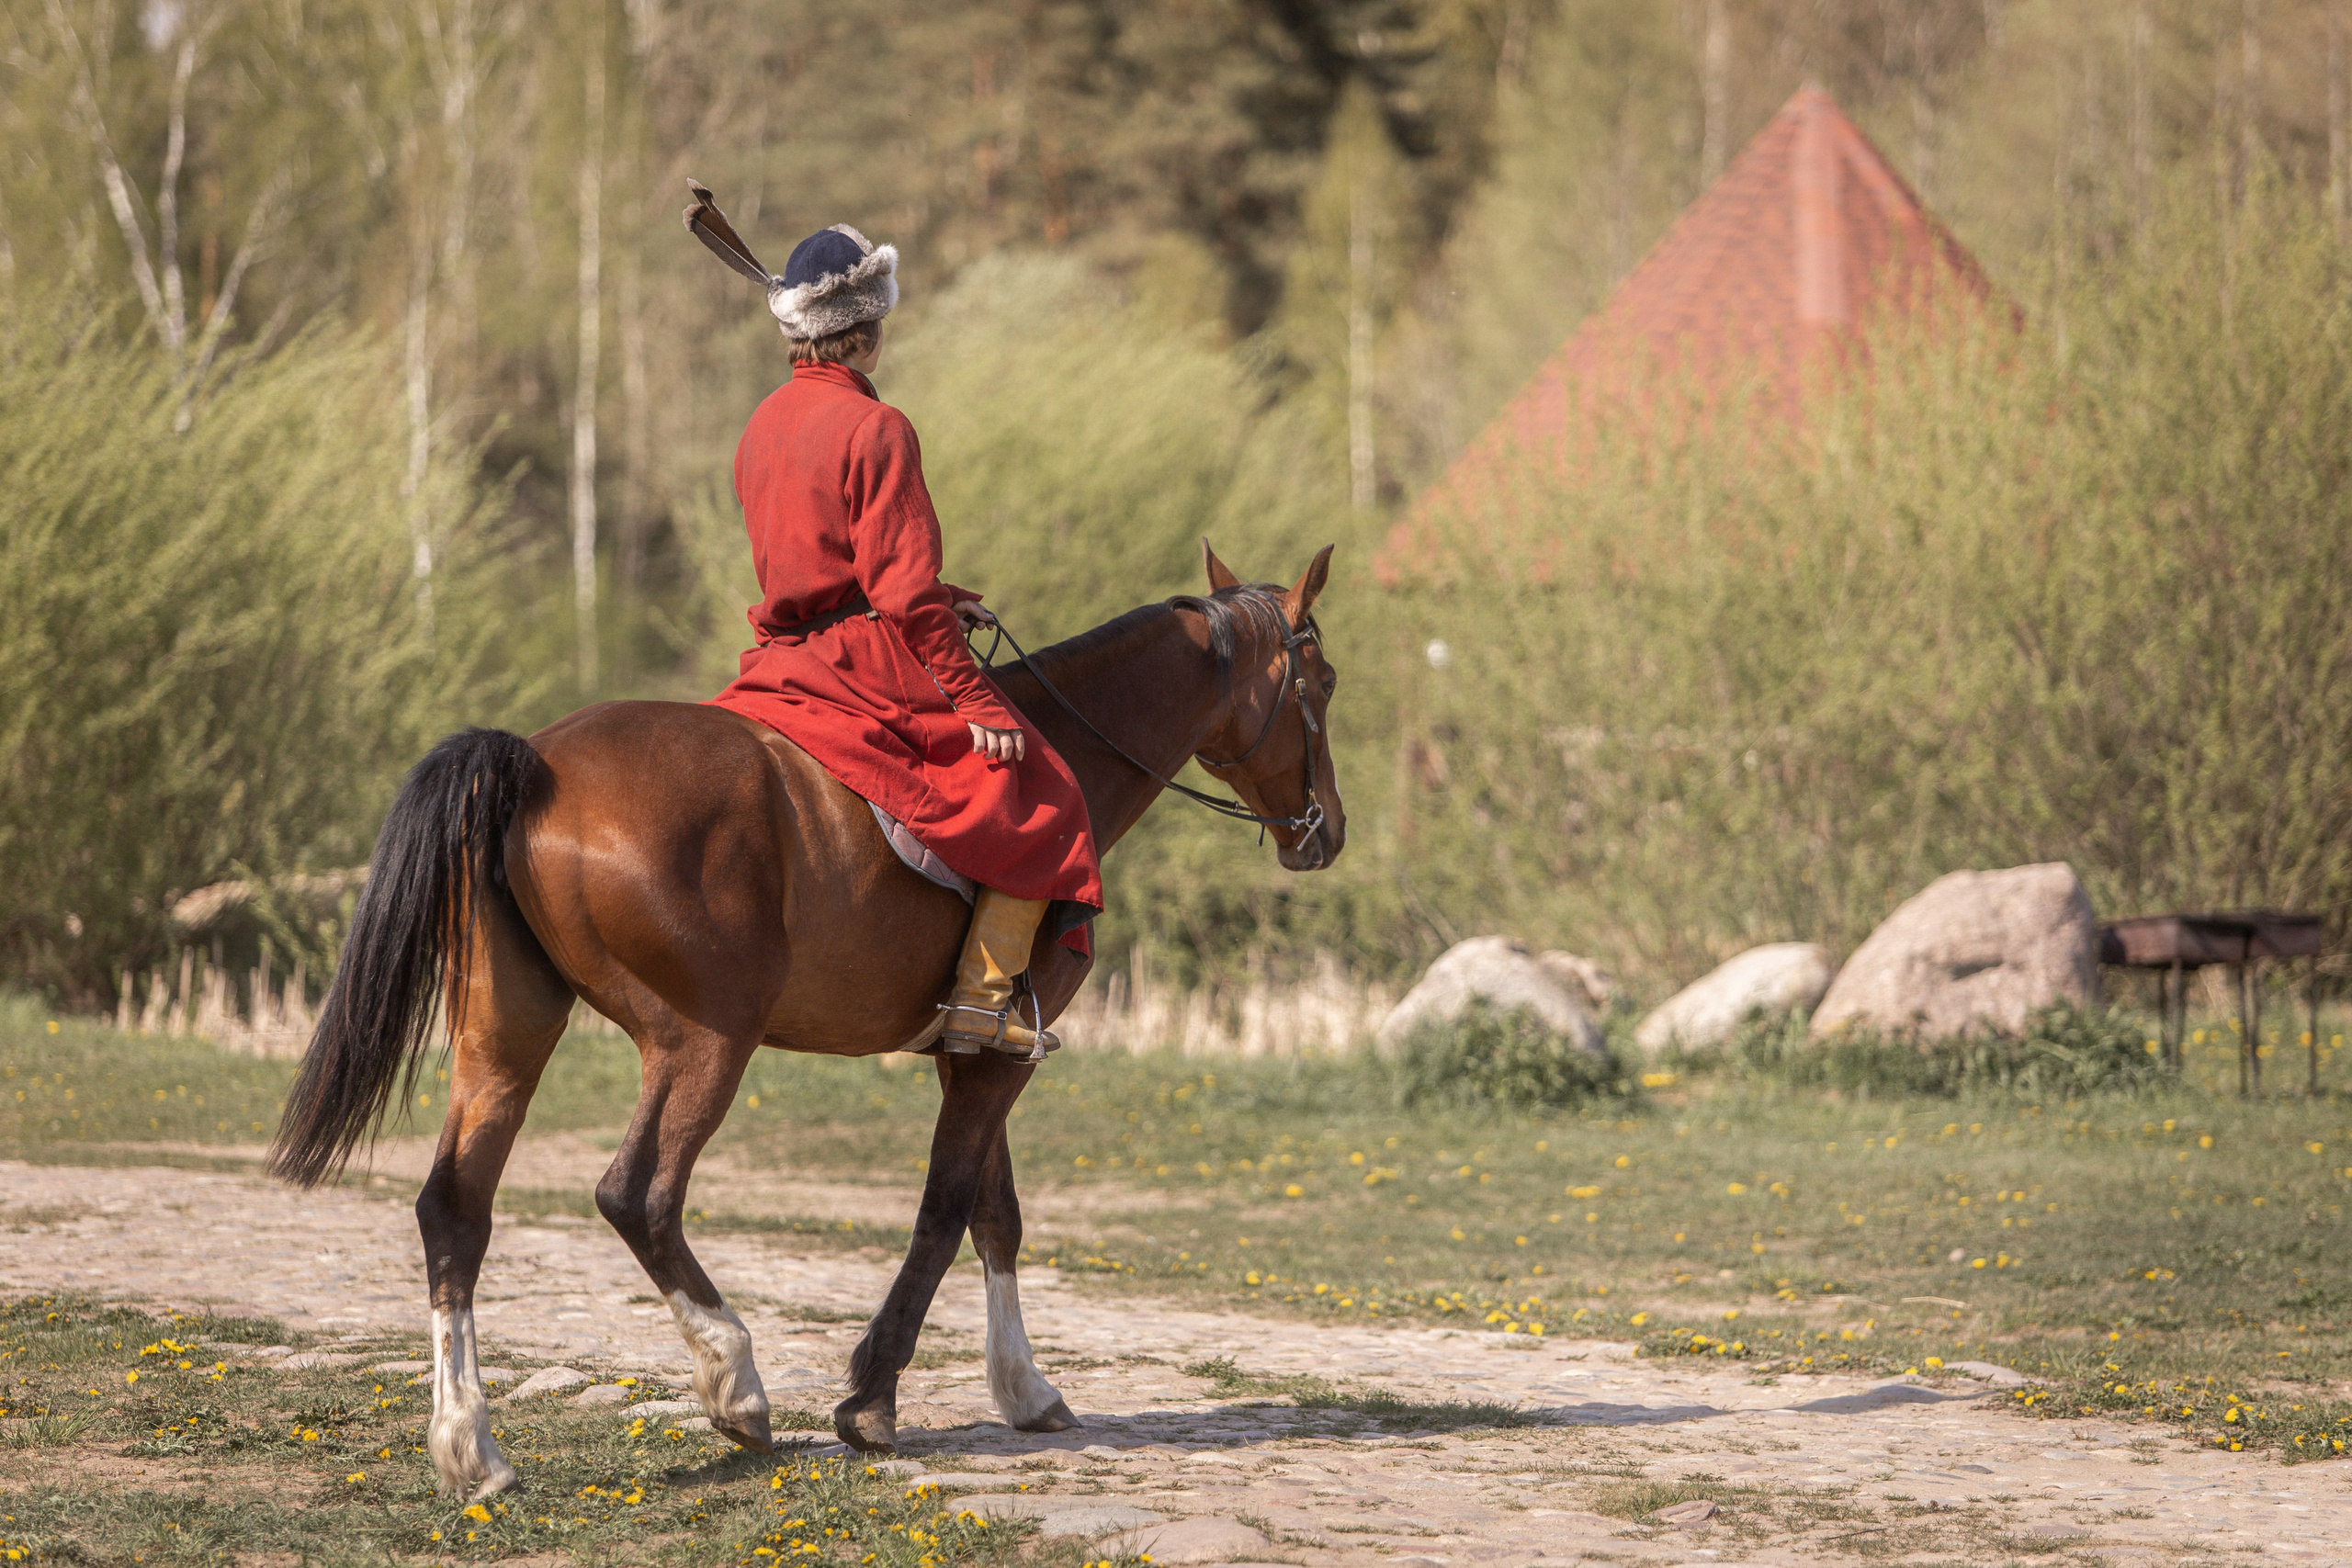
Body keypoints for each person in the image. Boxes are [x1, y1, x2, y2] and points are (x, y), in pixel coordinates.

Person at [707, 222, 1102, 1055]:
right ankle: (979, 1005)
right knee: (1045, 793)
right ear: (867, 331)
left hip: (782, 657)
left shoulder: (760, 425)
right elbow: (902, 593)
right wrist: (973, 694)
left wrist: (941, 599)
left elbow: (827, 563)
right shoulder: (878, 429)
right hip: (860, 664)